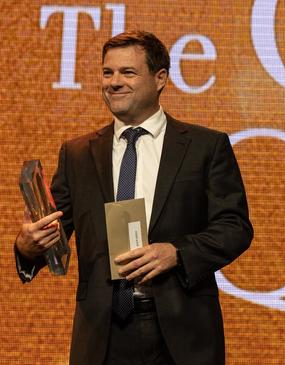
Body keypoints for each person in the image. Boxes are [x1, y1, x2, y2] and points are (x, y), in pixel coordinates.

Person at [14, 31, 253, 365]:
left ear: (160, 79)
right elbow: (54, 235)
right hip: (103, 334)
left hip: (182, 332)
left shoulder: (204, 147)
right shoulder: (78, 154)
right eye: (107, 72)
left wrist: (177, 253)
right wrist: (28, 247)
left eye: (127, 73)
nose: (113, 82)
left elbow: (235, 227)